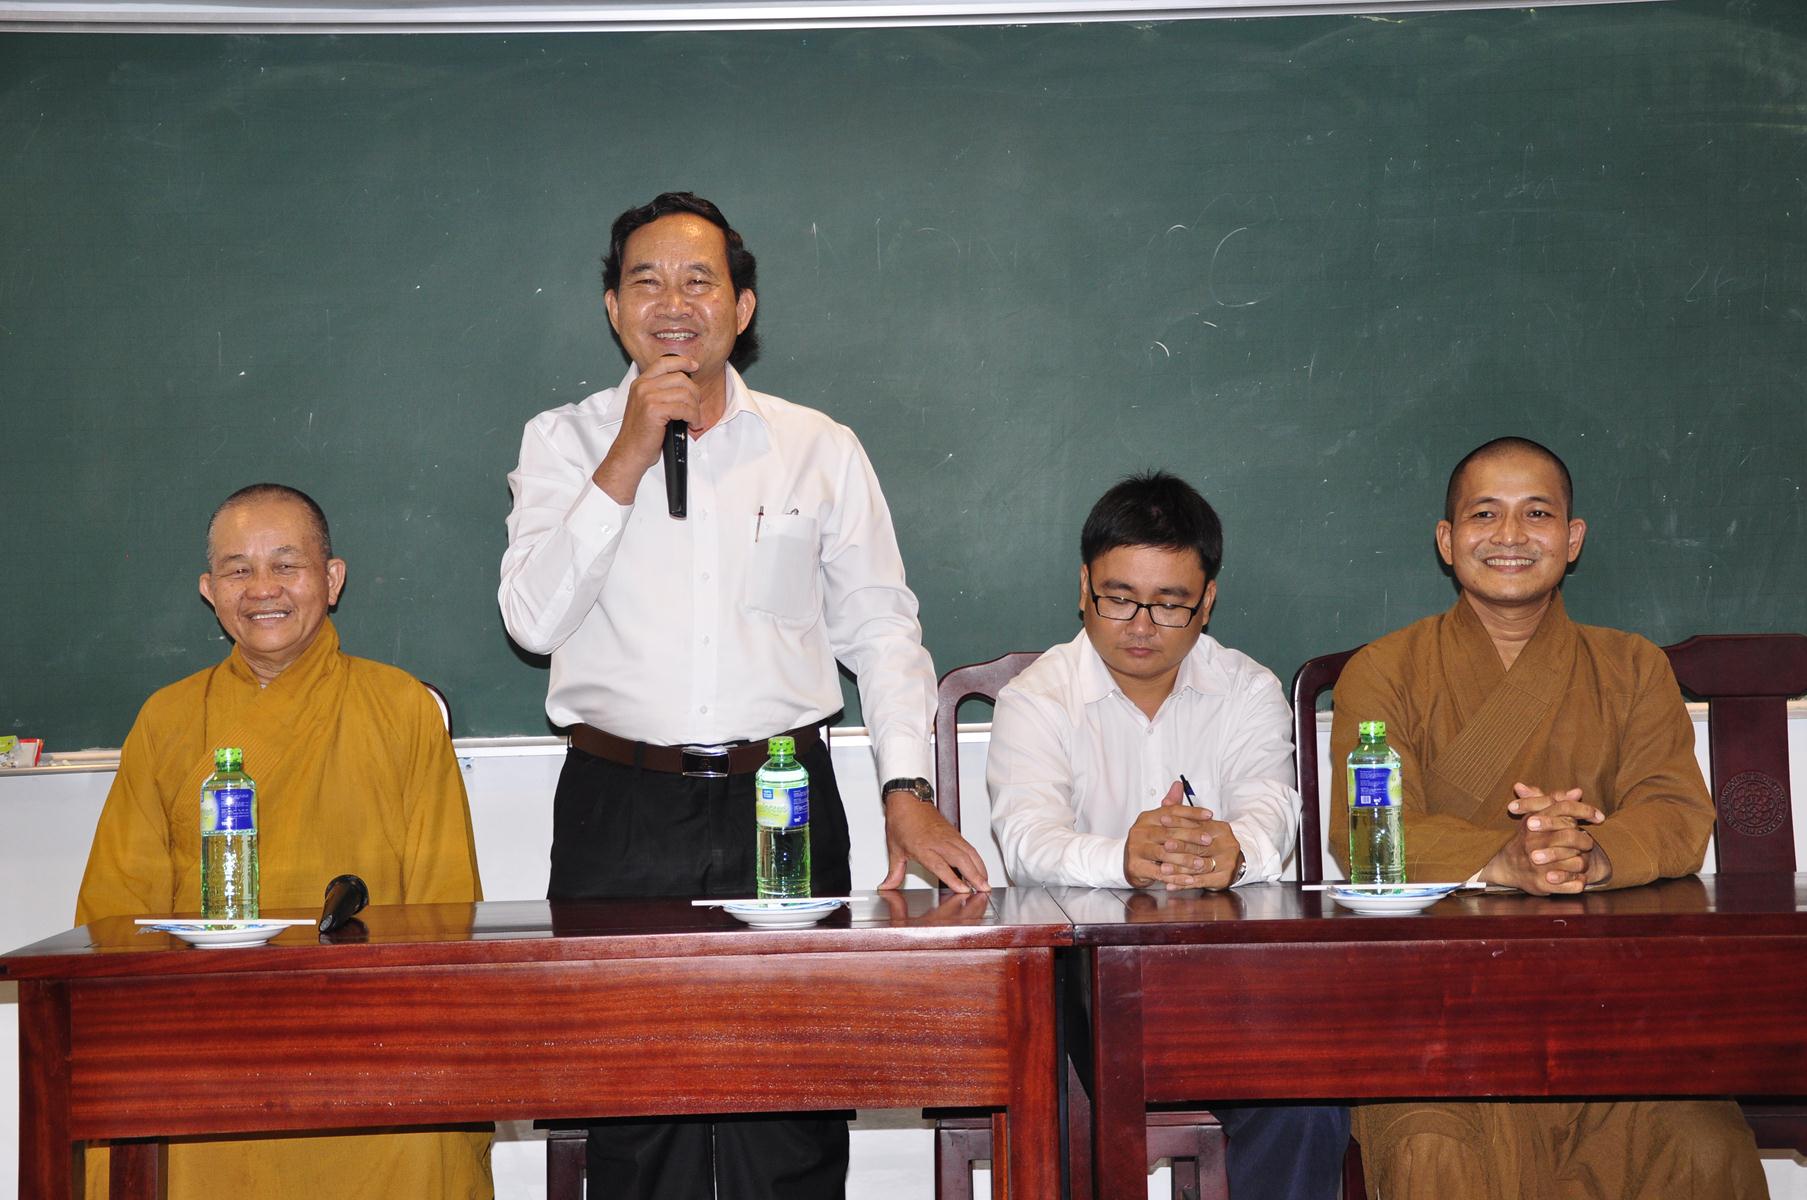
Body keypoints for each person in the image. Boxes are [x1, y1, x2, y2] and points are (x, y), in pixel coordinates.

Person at [498, 191, 989, 1200]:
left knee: (792, 1110)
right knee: (636, 1120)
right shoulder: (561, 443)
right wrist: (626, 455)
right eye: (646, 282)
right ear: (612, 309)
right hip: (619, 807)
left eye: (699, 281)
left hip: (783, 801)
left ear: (743, 306)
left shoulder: (817, 447)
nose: (673, 303)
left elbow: (881, 628)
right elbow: (532, 623)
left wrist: (905, 787)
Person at [1329, 436, 1766, 1199]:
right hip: (1435, 1022)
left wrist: (1589, 855)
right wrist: (1504, 859)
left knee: (1702, 1150)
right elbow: (1366, 831)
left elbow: (1675, 812)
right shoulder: (1383, 670)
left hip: (1615, 1015)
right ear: (1446, 541)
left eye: (1536, 513)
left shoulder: (1632, 667)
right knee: (1434, 1154)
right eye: (1483, 514)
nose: (1509, 534)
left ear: (1572, 539)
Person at [76, 482, 490, 1200]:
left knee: (424, 1135)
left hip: (369, 1032)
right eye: (237, 569)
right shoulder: (167, 719)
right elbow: (116, 910)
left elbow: (445, 902)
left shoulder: (400, 708)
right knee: (133, 1124)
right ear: (209, 591)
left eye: (286, 565)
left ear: (332, 579)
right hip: (205, 1032)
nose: (262, 588)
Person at [988, 470, 1350, 1199]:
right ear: (1084, 588)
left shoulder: (1246, 688)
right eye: (1119, 598)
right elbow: (1026, 841)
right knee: (1050, 1098)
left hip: (1224, 973)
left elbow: (1272, 809)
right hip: (1081, 977)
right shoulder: (1037, 698)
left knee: (1306, 1100)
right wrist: (1122, 858)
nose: (1141, 625)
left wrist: (1235, 852)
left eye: (1170, 604)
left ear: (1207, 601)